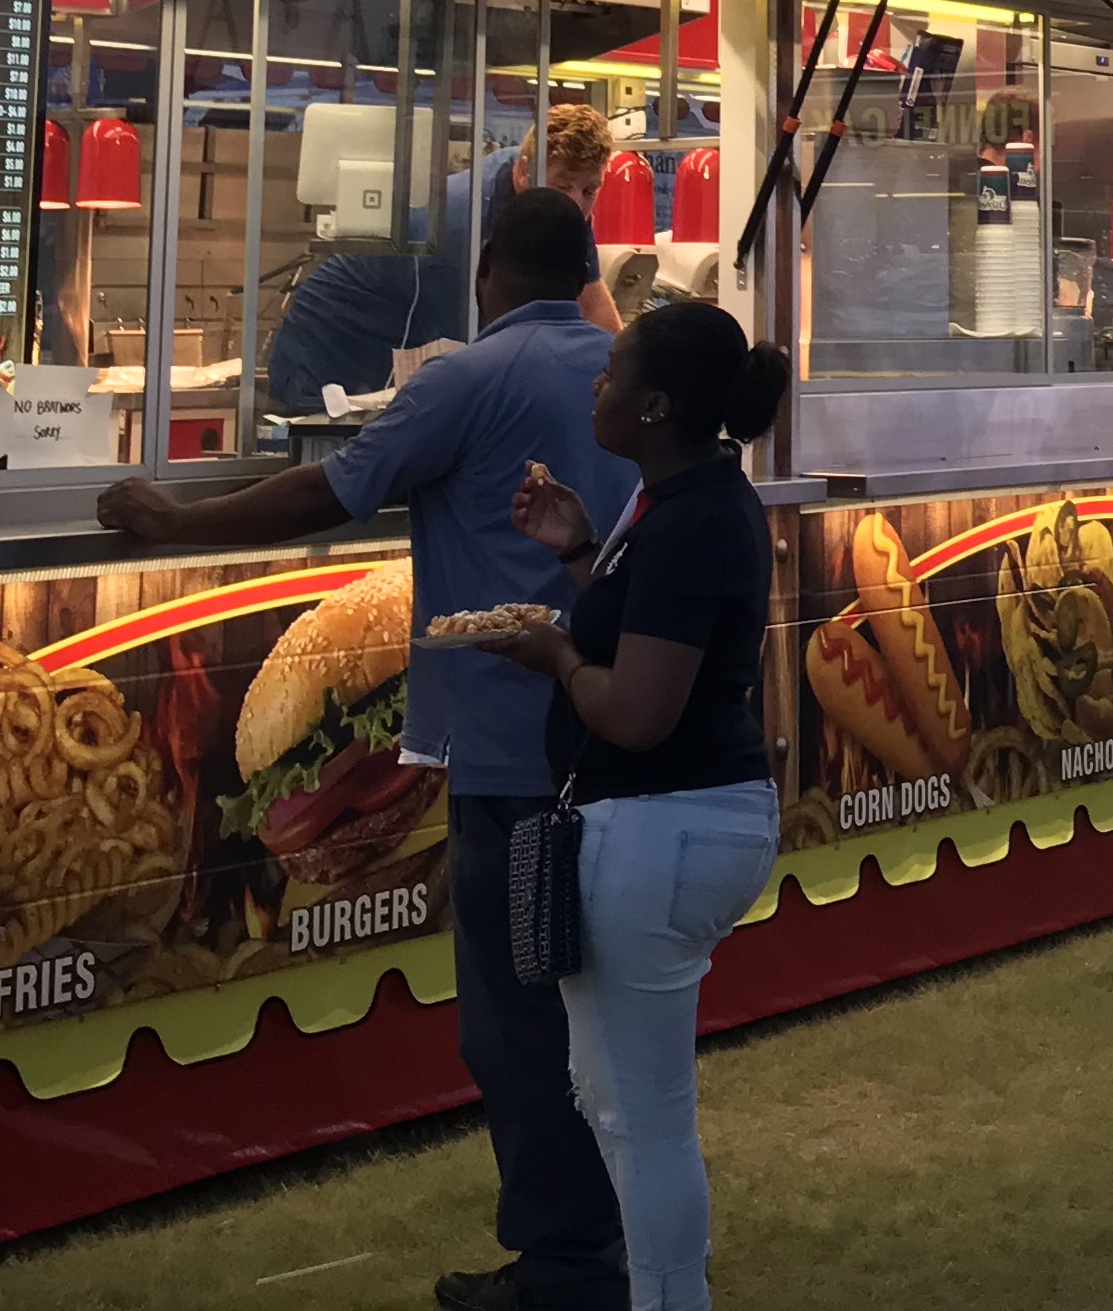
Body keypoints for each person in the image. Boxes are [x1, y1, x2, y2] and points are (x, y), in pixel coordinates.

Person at [99, 191, 638, 1311]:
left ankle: (571, 1267)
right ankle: (623, 1242)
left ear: (485, 266)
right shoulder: (630, 374)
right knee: (598, 1013)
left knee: (518, 1024)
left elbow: (326, 491)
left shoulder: (468, 378)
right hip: (617, 740)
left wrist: (172, 520)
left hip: (509, 754)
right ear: (585, 265)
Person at [481, 301, 790, 1311]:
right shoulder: (670, 500)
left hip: (662, 824)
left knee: (641, 1114)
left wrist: (555, 654)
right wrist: (579, 554)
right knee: (617, 1099)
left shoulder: (694, 517)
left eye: (612, 375)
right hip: (672, 823)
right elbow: (643, 647)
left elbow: (638, 712)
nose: (595, 389)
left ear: (655, 405)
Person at [272, 101, 622, 411]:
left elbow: (592, 305)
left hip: (391, 354)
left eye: (591, 190)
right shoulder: (461, 221)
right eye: (563, 187)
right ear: (524, 171)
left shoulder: (562, 209)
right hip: (326, 350)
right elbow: (485, 350)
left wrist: (629, 380)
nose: (576, 202)